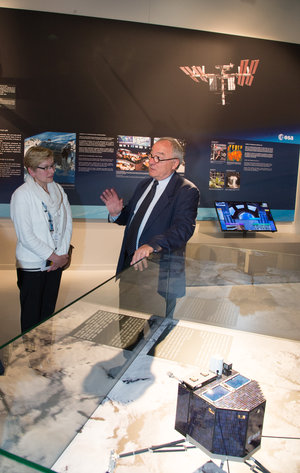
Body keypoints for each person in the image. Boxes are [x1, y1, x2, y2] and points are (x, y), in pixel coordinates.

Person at [101, 137, 200, 274]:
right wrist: (116, 213)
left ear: (174, 163)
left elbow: (182, 230)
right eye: (151, 156)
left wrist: (152, 246)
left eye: (158, 157)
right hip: (128, 266)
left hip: (158, 271)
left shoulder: (186, 190)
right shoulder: (144, 185)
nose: (151, 161)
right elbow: (131, 218)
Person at [10, 146, 72, 333]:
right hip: (32, 266)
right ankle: (30, 359)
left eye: (52, 166)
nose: (51, 171)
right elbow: (26, 236)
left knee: (47, 316)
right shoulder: (21, 195)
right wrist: (52, 256)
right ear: (31, 170)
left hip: (55, 264)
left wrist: (61, 254)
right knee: (31, 318)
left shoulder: (58, 190)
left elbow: (67, 223)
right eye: (45, 167)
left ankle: (45, 356)